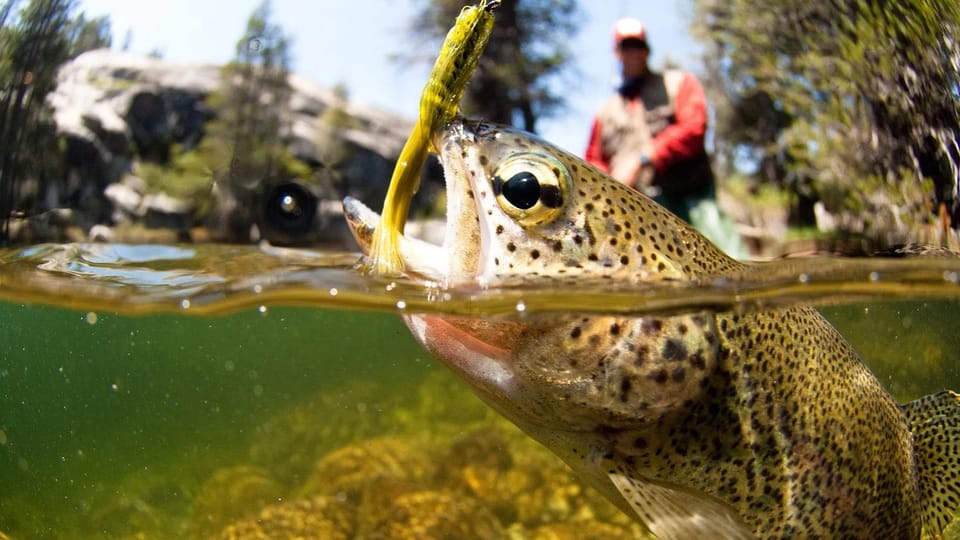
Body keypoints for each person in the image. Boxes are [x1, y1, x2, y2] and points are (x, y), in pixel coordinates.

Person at [585, 17, 745, 258]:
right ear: (617, 53)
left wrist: (645, 157)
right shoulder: (604, 113)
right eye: (626, 46)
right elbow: (593, 160)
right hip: (637, 217)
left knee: (729, 263)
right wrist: (610, 183)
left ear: (648, 50)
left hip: (693, 201)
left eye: (638, 46)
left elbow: (694, 128)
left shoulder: (679, 84)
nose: (633, 53)